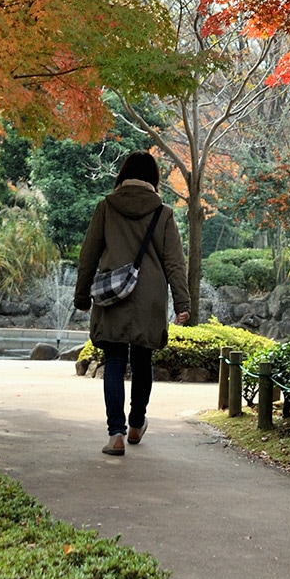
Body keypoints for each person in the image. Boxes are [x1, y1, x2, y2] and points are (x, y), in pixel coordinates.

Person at [74, 150, 191, 456]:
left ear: (122, 175)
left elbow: (89, 255)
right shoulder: (163, 213)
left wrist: (81, 295)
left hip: (113, 293)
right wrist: (182, 302)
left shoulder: (106, 207)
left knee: (113, 360)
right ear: (153, 179)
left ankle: (115, 433)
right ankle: (137, 424)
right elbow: (174, 263)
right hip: (149, 296)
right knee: (142, 361)